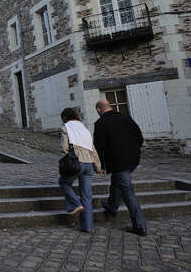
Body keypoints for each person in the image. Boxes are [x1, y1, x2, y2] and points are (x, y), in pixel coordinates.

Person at [93, 99, 148, 236]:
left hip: (118, 161)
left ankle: (140, 225)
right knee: (117, 182)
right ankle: (112, 206)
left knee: (127, 190)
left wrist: (100, 165)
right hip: (132, 159)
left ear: (99, 110)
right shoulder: (125, 117)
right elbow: (139, 137)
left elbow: (100, 147)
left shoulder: (101, 123)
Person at [58, 107, 101, 233]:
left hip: (76, 162)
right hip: (89, 164)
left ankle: (75, 204)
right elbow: (93, 150)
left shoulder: (66, 128)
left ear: (65, 117)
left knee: (64, 183)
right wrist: (98, 166)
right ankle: (88, 226)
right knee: (87, 196)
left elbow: (64, 148)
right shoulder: (85, 130)